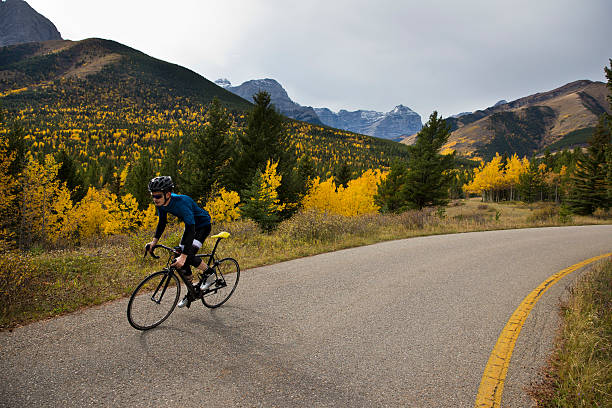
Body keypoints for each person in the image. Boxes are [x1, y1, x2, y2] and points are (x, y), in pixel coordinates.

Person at [146, 176, 215, 308]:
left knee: (186, 255)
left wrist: (184, 256)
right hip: (190, 226)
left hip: (202, 226)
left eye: (158, 196)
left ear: (167, 194)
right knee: (177, 256)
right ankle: (193, 290)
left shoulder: (183, 201)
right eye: (153, 196)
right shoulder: (161, 203)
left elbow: (190, 228)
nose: (155, 199)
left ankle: (209, 273)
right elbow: (162, 223)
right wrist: (153, 242)